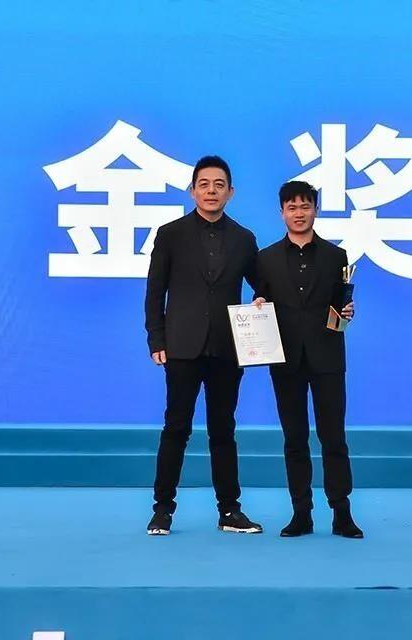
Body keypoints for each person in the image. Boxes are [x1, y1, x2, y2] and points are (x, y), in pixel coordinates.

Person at [143, 155, 263, 536]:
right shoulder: (170, 234)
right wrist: (156, 338)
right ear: (192, 190)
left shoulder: (244, 239)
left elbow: (264, 285)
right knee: (175, 429)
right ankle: (162, 510)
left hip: (227, 349)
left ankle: (230, 511)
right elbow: (155, 291)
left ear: (231, 192)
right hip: (181, 347)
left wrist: (261, 301)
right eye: (204, 184)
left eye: (219, 185)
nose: (212, 191)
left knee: (223, 431)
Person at [253, 180, 363, 538]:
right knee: (294, 439)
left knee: (334, 437)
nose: (299, 213)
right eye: (292, 207)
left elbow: (340, 307)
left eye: (305, 206)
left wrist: (347, 312)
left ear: (315, 209)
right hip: (284, 359)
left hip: (327, 357)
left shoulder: (336, 256)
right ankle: (301, 513)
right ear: (281, 212)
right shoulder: (265, 258)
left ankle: (342, 512)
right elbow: (261, 301)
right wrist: (257, 305)